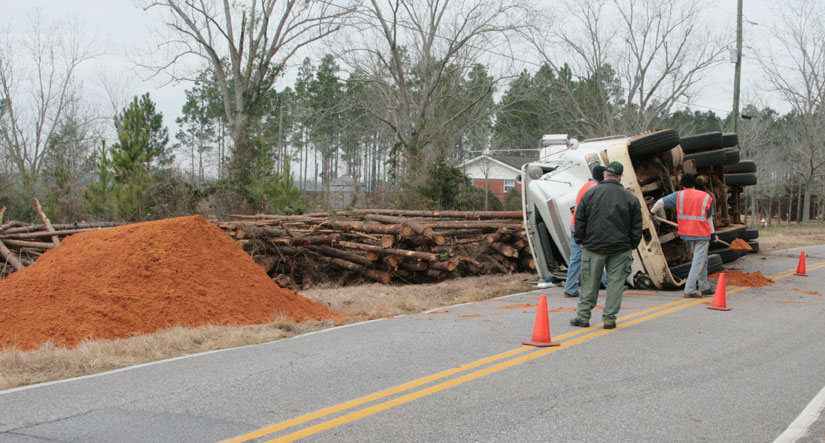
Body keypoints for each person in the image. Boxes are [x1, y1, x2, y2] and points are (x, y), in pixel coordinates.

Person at [570, 161, 642, 329]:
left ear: (605, 175)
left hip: (593, 246)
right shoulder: (630, 198)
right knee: (616, 284)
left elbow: (579, 219)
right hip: (620, 248)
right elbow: (637, 226)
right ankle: (609, 319)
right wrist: (632, 244)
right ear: (620, 177)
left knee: (590, 282)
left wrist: (580, 240)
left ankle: (583, 317)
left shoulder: (590, 194)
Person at [650, 172, 716, 298]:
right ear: (694, 184)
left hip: (687, 233)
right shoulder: (705, 197)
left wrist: (652, 213)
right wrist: (712, 233)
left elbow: (659, 202)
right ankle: (690, 289)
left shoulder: (678, 196)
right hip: (702, 234)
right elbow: (709, 218)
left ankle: (704, 286)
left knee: (702, 260)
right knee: (699, 261)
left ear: (682, 185)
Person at [564, 165, 607, 298]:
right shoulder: (595, 189)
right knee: (592, 255)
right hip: (584, 227)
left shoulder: (586, 185)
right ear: (602, 176)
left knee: (585, 256)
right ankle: (570, 288)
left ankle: (571, 288)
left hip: (576, 225)